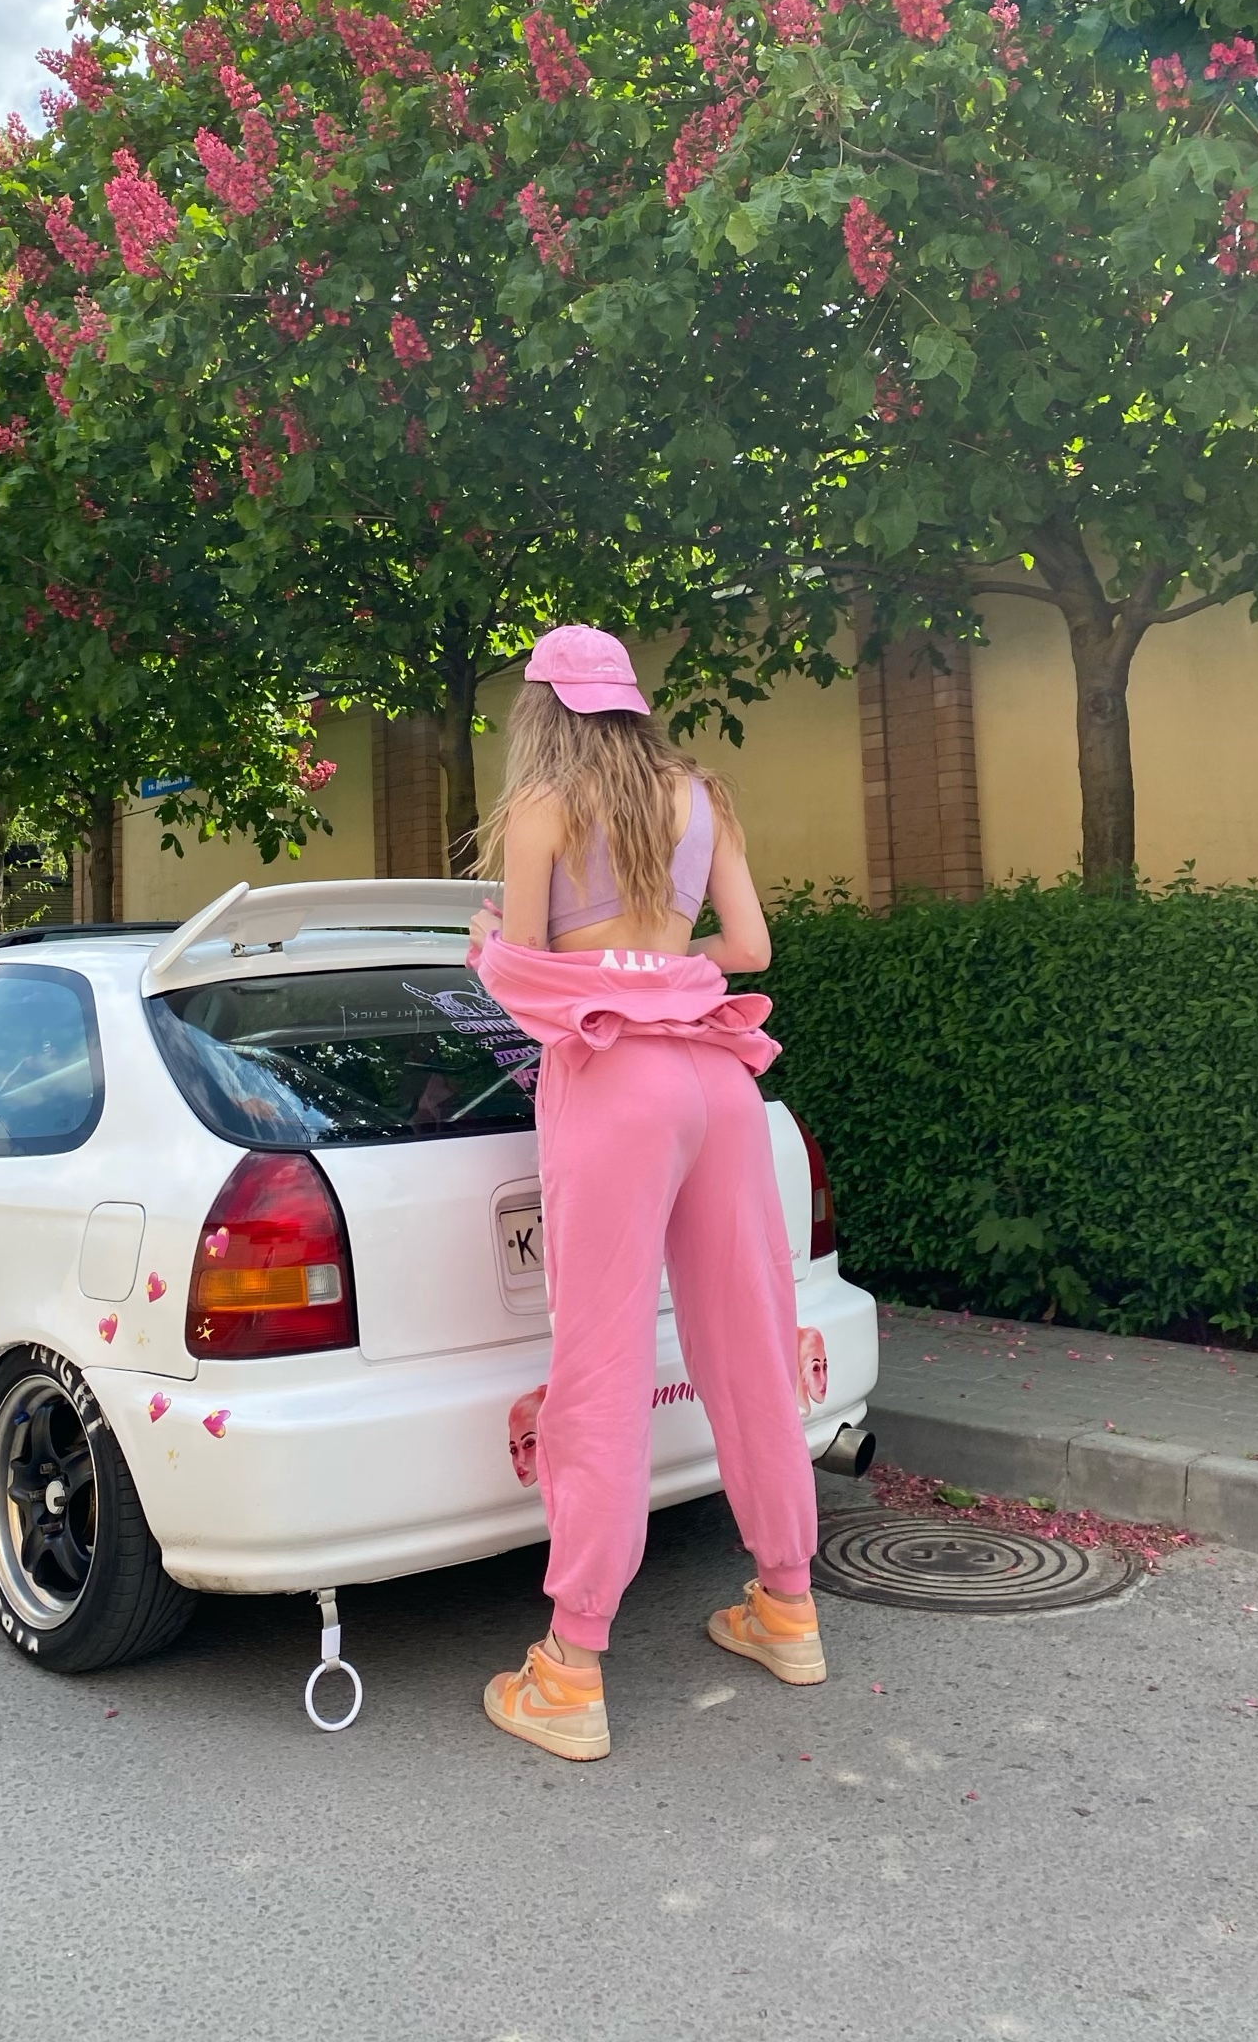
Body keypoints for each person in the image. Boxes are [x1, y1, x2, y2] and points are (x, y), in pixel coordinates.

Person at [468, 624, 824, 1763]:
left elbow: (528, 974)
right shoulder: (701, 796)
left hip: (613, 1082)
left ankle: (571, 1667)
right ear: (628, 702)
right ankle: (787, 1605)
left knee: (602, 1360)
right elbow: (751, 945)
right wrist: (666, 966)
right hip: (717, 1076)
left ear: (545, 711)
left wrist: (487, 946)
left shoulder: (541, 808)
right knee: (751, 1338)